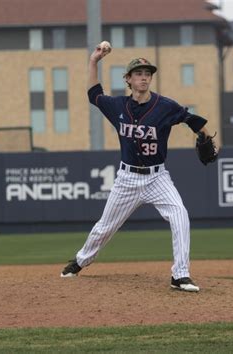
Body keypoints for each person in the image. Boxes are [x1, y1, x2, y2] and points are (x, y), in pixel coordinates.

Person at [61, 41, 216, 292]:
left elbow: (191, 119)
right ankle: (80, 261)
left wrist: (206, 137)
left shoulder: (165, 106)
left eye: (147, 74)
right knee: (105, 227)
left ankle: (180, 275)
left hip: (158, 177)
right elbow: (93, 94)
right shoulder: (118, 106)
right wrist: (93, 61)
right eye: (139, 74)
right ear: (128, 79)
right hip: (127, 179)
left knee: (180, 215)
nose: (144, 78)